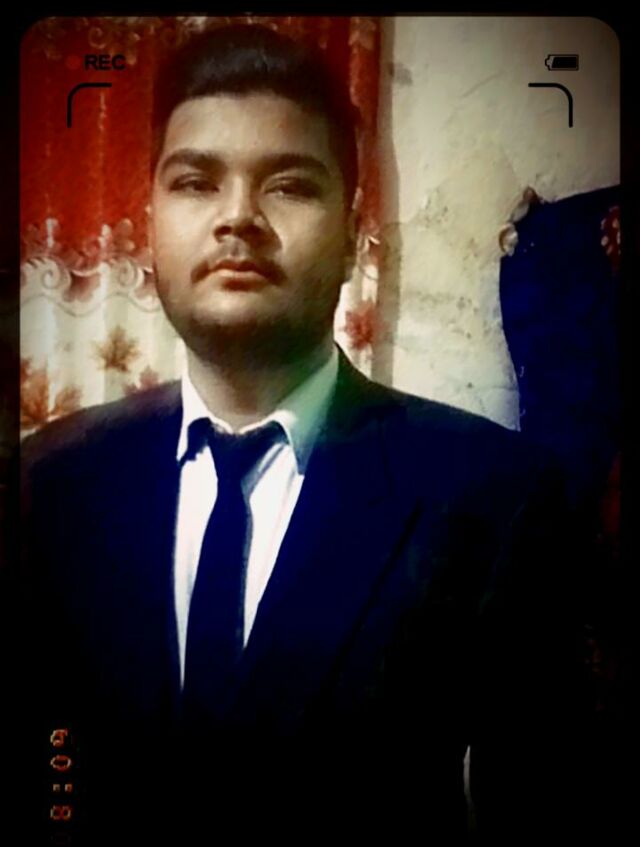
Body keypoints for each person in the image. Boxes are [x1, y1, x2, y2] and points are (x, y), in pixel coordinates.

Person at [11, 23, 588, 846]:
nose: (237, 218)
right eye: (196, 182)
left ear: (353, 236)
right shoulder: (50, 481)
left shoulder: (495, 496)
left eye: (289, 185)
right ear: (149, 223)